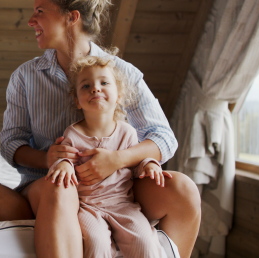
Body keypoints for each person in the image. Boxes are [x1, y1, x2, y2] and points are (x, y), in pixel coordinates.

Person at [0, 0, 201, 257]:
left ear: (72, 17)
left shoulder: (122, 73)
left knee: (183, 189)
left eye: (40, 11)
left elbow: (164, 138)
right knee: (62, 186)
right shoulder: (25, 77)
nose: (31, 20)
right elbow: (10, 144)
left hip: (117, 188)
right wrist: (46, 158)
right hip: (49, 184)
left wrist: (116, 160)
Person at [46, 55, 168, 257]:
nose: (95, 88)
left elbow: (135, 164)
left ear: (119, 95)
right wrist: (65, 164)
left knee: (145, 241)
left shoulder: (127, 132)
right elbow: (64, 158)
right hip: (88, 207)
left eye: (104, 83)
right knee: (96, 242)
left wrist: (149, 164)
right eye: (86, 86)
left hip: (123, 205)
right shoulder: (72, 134)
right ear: (77, 101)